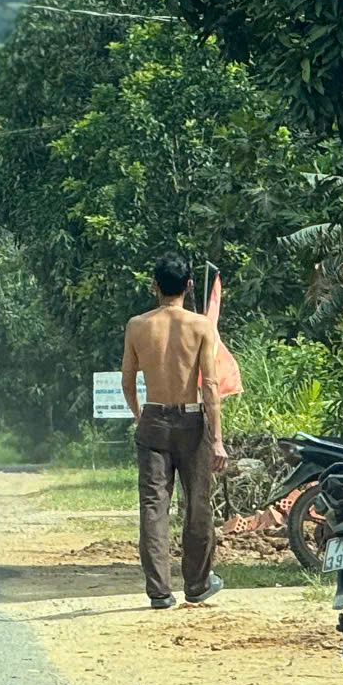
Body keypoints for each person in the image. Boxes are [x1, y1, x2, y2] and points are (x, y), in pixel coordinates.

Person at [122, 252, 227, 609]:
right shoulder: (200, 326)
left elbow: (127, 381)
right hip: (192, 419)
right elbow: (210, 385)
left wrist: (141, 417)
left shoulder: (137, 325)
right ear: (189, 286)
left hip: (153, 418)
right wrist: (217, 439)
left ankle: (160, 592)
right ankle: (196, 585)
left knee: (154, 506)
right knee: (197, 504)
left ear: (154, 286)